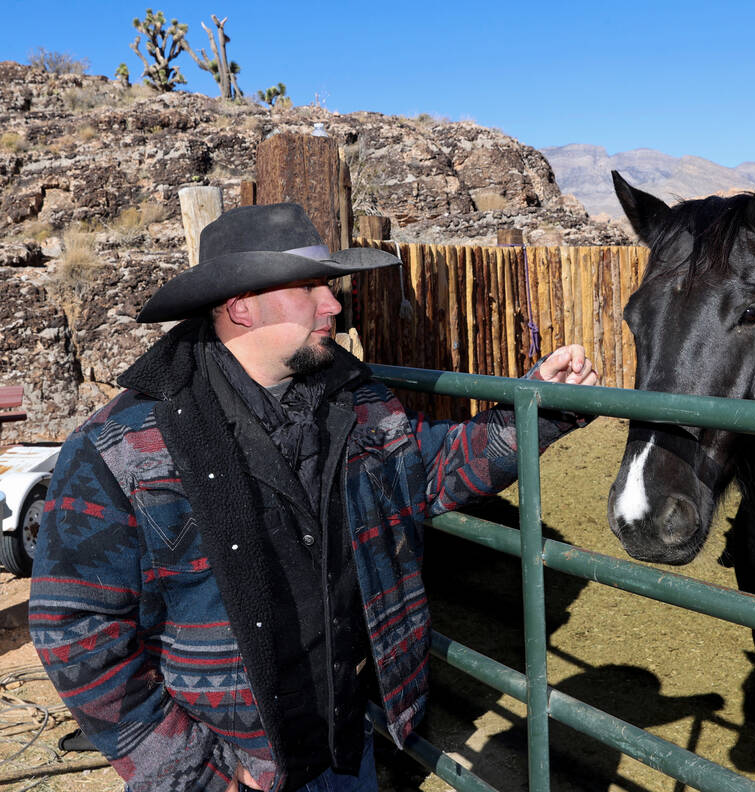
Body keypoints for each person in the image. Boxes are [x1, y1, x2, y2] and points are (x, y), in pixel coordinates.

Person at [28, 203, 598, 792]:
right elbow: (75, 626)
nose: (333, 305)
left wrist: (538, 410)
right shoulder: (124, 447)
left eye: (328, 286)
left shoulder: (357, 401)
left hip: (346, 739)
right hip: (230, 762)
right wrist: (188, 771)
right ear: (240, 307)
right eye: (309, 288)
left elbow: (429, 473)